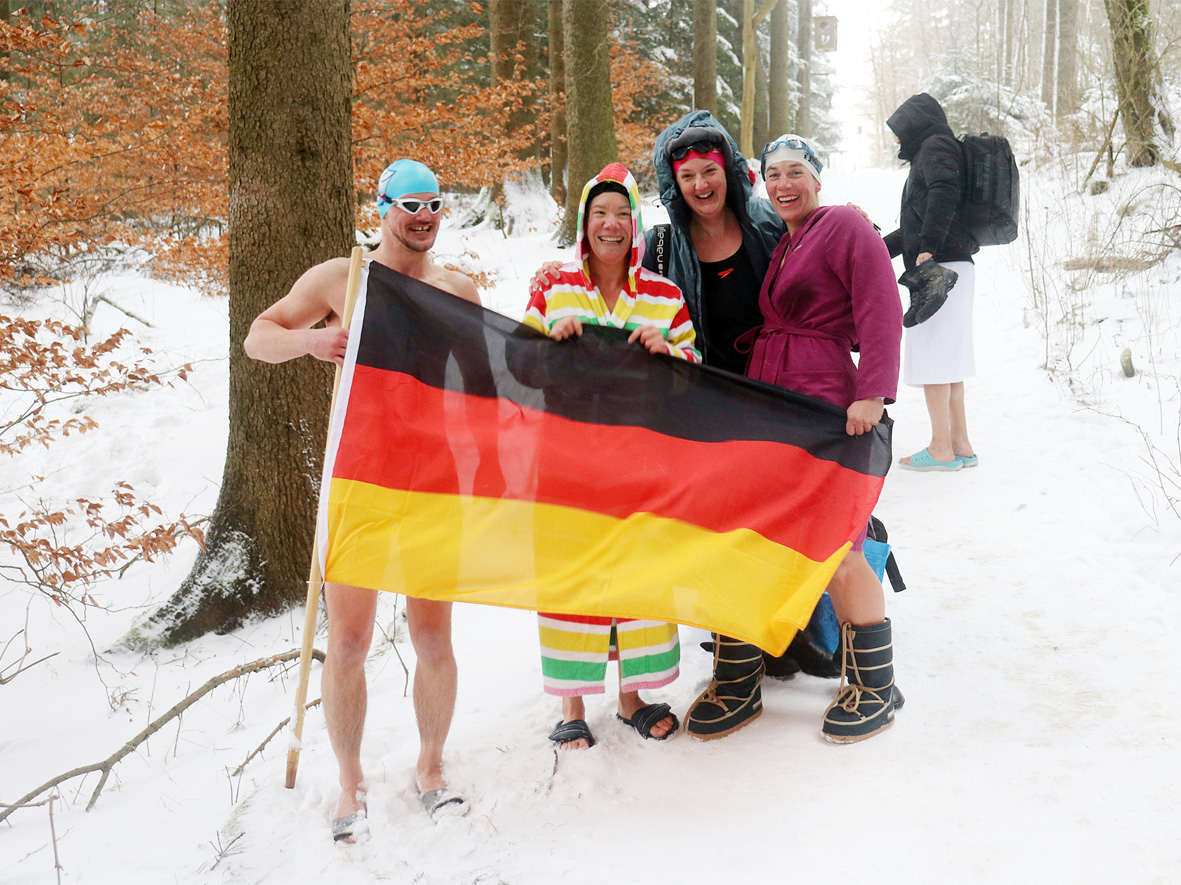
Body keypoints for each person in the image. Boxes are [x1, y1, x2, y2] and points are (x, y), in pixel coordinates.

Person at [243, 160, 479, 842]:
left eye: (435, 203)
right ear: (381, 208)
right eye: (410, 203)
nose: (425, 215)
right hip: (361, 482)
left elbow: (503, 371)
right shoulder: (340, 279)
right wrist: (311, 338)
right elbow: (258, 335)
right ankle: (349, 778)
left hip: (435, 483)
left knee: (433, 634)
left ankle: (431, 768)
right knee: (347, 638)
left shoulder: (457, 288)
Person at [522, 162, 698, 750]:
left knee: (638, 572)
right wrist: (550, 341)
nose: (611, 224)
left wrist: (666, 352)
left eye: (623, 214)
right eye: (600, 213)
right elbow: (518, 364)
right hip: (568, 462)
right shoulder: (552, 288)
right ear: (583, 222)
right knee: (573, 577)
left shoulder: (665, 295)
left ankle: (632, 698)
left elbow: (694, 379)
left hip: (640, 462)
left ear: (637, 225)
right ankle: (572, 704)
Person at [743, 133, 904, 742]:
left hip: (829, 402)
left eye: (795, 172)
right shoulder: (787, 241)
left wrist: (873, 391)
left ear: (817, 178)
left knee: (840, 538)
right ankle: (828, 660)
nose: (783, 184)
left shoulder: (842, 226)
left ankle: (875, 686)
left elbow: (880, 307)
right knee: (798, 533)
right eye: (772, 174)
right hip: (780, 397)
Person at [883, 93, 980, 472]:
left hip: (941, 267)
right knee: (948, 359)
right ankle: (959, 443)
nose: (896, 140)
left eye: (898, 131)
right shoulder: (935, 147)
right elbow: (912, 226)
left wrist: (927, 248)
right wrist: (875, 248)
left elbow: (944, 193)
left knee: (935, 358)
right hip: (952, 263)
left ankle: (941, 448)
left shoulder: (934, 145)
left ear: (915, 124)